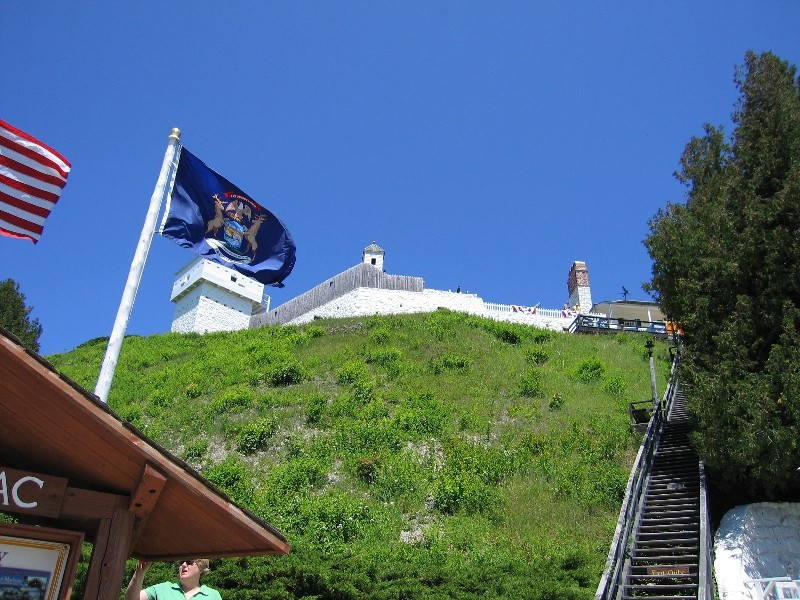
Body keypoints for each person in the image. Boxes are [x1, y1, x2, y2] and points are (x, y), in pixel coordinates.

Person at [126, 559, 221, 600]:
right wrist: (139, 573)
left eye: (189, 562)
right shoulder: (162, 589)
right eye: (181, 562)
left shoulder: (213, 595)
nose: (183, 565)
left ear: (201, 567)